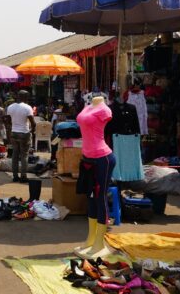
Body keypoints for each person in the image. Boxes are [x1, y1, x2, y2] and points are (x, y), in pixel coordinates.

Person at [74, 96, 116, 259]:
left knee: (100, 198)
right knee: (90, 197)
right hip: (88, 158)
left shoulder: (105, 110)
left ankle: (99, 242)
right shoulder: (88, 106)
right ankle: (91, 239)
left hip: (103, 158)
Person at [5, 90, 36, 183]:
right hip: (24, 133)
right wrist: (31, 130)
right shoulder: (27, 108)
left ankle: (15, 176)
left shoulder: (10, 107)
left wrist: (14, 126)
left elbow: (8, 121)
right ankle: (23, 176)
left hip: (14, 132)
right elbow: (33, 123)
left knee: (14, 155)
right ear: (25, 98)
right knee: (24, 155)